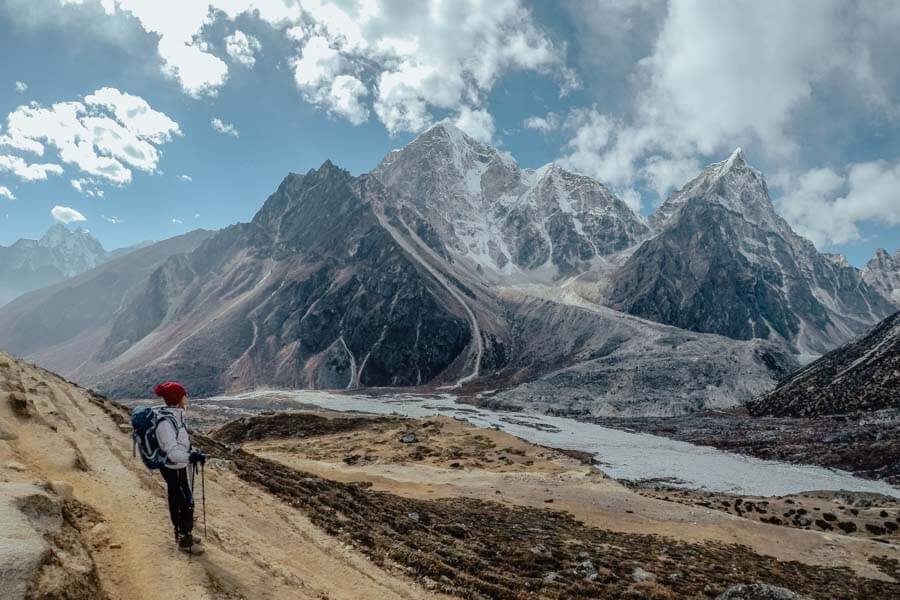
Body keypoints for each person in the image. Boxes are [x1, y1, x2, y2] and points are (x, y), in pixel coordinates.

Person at [153, 381, 206, 555]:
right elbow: (172, 452)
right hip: (173, 466)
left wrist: (191, 452)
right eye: (184, 394)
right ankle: (184, 540)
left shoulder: (176, 416)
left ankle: (184, 532)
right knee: (184, 502)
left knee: (181, 500)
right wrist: (190, 457)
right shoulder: (166, 423)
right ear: (177, 398)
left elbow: (180, 444)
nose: (187, 396)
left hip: (178, 466)